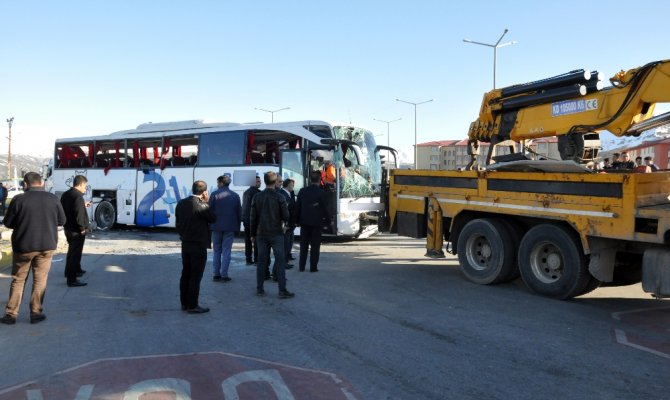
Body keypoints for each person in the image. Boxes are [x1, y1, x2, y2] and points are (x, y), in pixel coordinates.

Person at [1, 172, 66, 324]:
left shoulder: (19, 199)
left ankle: (11, 314)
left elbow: (8, 223)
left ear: (25, 184)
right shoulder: (53, 199)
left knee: (18, 280)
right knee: (40, 280)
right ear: (41, 183)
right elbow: (62, 220)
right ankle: (36, 313)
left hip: (24, 246)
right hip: (47, 246)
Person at [250, 171, 294, 299]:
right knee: (280, 261)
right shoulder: (280, 197)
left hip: (261, 233)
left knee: (261, 261)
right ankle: (282, 290)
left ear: (264, 181)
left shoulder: (257, 197)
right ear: (275, 182)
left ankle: (260, 289)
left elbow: (253, 218)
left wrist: (253, 234)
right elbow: (286, 215)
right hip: (276, 233)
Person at [175, 180, 216, 314]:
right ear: (204, 192)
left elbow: (178, 223)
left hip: (185, 243)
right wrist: (207, 202)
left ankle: (184, 303)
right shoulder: (202, 206)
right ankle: (193, 305)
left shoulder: (181, 203)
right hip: (198, 245)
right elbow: (213, 218)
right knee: (195, 276)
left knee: (185, 273)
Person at [208, 175, 241, 282]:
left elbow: (209, 211)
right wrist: (238, 228)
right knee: (227, 250)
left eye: (218, 183)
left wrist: (209, 225)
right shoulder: (235, 196)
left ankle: (216, 274)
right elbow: (238, 213)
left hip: (216, 227)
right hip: (230, 227)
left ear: (221, 183)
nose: (217, 185)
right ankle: (224, 275)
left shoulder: (214, 195)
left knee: (217, 250)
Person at [60, 175, 91, 287]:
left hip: (67, 227)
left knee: (72, 252)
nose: (85, 188)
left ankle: (75, 270)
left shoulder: (66, 194)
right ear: (81, 184)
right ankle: (71, 279)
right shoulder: (78, 196)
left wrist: (83, 205)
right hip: (76, 229)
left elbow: (68, 208)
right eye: (85, 186)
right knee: (74, 253)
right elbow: (79, 215)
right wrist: (83, 228)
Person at [296, 171, 329, 272]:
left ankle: (301, 267)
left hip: (304, 223)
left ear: (310, 180)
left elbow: (298, 207)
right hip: (317, 224)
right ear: (320, 180)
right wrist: (328, 222)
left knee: (303, 246)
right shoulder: (322, 193)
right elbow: (325, 209)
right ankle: (313, 267)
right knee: (315, 247)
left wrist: (297, 221)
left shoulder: (302, 191)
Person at [242, 175, 261, 265]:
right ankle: (257, 259)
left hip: (246, 219)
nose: (260, 183)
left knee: (248, 241)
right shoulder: (257, 193)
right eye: (258, 181)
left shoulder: (246, 192)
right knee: (256, 240)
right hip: (253, 220)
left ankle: (248, 259)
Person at [280, 178, 297, 266]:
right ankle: (284, 261)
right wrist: (286, 224)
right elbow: (285, 211)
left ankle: (287, 257)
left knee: (290, 241)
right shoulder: (283, 194)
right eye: (292, 184)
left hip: (291, 223)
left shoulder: (290, 194)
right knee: (285, 243)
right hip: (287, 224)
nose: (293, 186)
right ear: (287, 185)